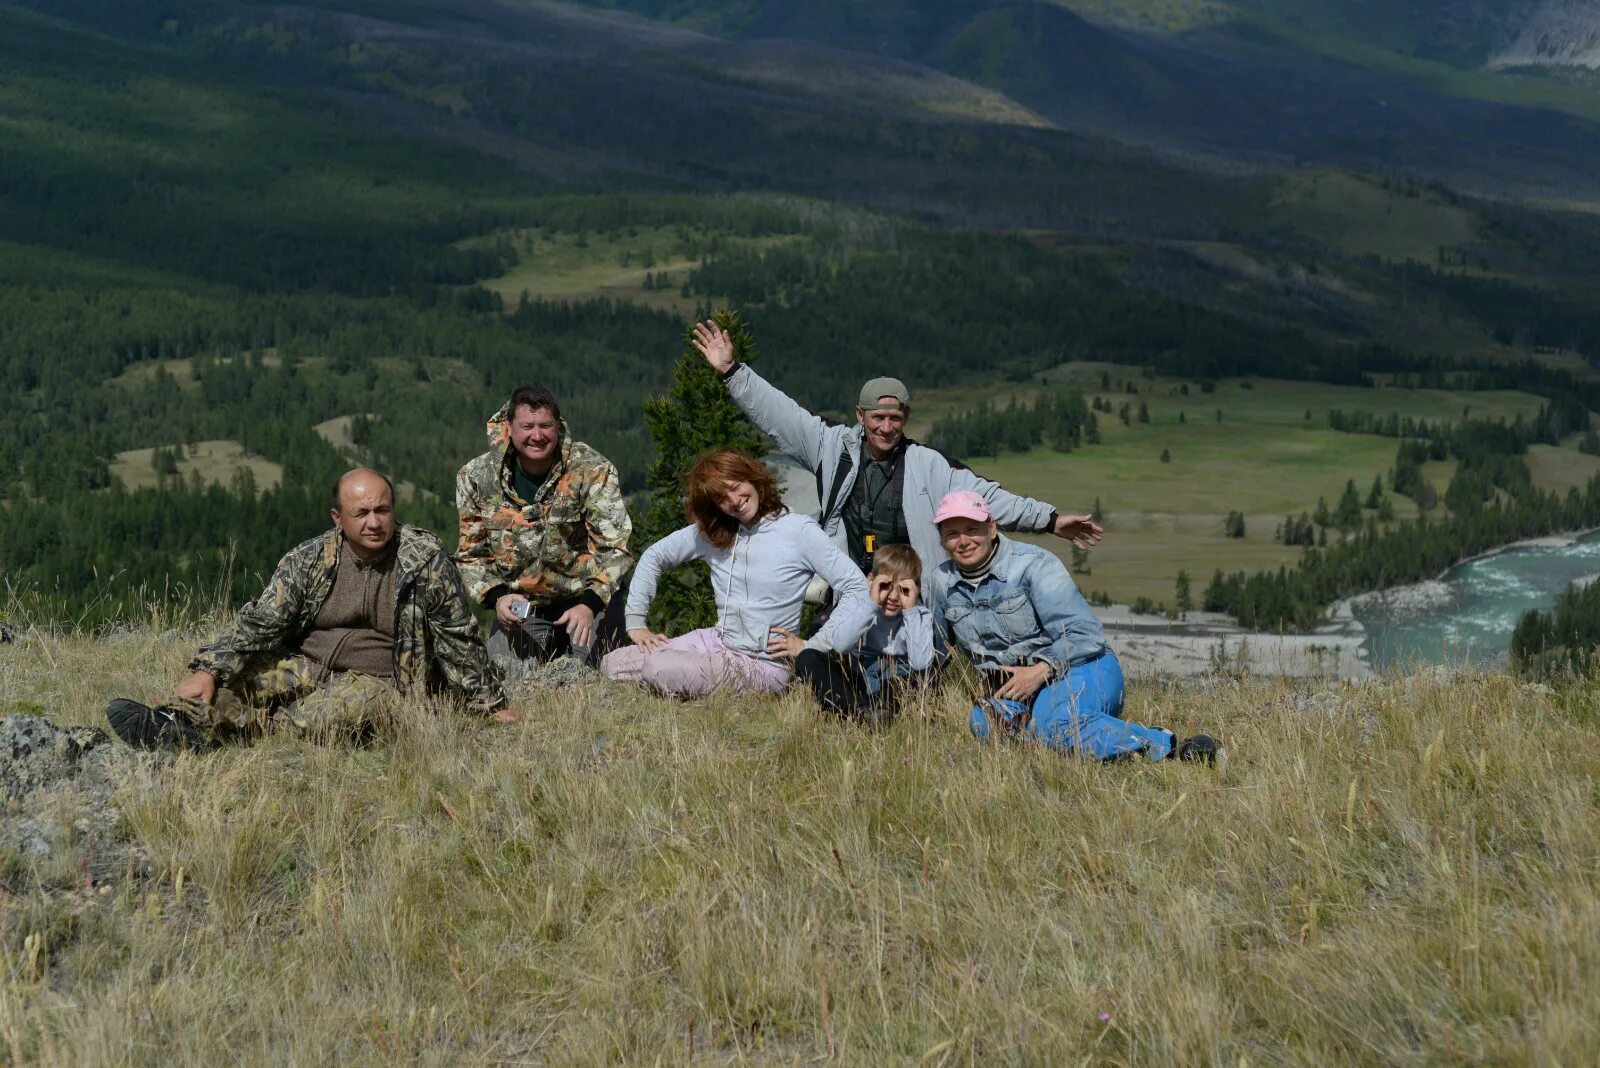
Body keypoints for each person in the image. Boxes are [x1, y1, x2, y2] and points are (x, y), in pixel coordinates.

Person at [105, 468, 516, 750]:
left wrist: (492, 706)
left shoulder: (423, 559)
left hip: (383, 677)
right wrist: (208, 668)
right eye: (361, 513)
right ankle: (175, 725)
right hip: (308, 661)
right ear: (338, 517)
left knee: (323, 718)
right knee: (241, 683)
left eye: (382, 510)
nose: (374, 522)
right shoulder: (309, 559)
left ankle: (237, 731)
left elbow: (458, 635)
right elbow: (262, 619)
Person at [691, 320, 1103, 583]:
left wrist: (1050, 520)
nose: (886, 427)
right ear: (860, 414)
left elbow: (987, 499)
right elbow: (779, 414)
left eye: (895, 418)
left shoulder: (927, 465)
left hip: (913, 592)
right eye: (877, 417)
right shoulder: (830, 447)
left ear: (905, 418)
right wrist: (732, 372)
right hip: (851, 587)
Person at [926, 490, 1220, 763]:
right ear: (941, 540)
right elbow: (936, 648)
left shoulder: (1034, 565)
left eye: (972, 529)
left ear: (991, 527)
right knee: (982, 721)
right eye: (951, 534)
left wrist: (1040, 670)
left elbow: (1085, 634)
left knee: (1053, 723)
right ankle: (1077, 743)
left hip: (1081, 667)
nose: (963, 541)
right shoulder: (942, 581)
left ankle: (1174, 747)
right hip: (1016, 690)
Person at [601, 449, 875, 697]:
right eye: (721, 498)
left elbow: (858, 588)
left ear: (752, 479)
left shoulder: (799, 532)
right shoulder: (717, 531)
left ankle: (683, 677)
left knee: (659, 667)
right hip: (716, 641)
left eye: (735, 487)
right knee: (613, 664)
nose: (734, 501)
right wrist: (636, 622)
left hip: (763, 664)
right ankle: (685, 673)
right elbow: (654, 556)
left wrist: (813, 645)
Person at [455, 386, 634, 672]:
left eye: (545, 426)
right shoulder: (476, 477)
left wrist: (590, 604)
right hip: (523, 608)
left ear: (558, 426)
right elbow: (471, 554)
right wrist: (497, 597)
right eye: (527, 426)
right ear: (509, 427)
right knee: (505, 675)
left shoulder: (592, 469)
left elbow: (615, 547)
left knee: (605, 673)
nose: (537, 436)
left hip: (587, 601)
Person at [793, 544, 942, 726]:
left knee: (927, 676)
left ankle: (867, 711)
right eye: (886, 586)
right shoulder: (862, 605)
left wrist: (910, 611)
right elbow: (840, 645)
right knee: (808, 657)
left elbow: (920, 663)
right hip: (861, 676)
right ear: (871, 581)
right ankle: (856, 711)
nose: (894, 596)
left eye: (903, 590)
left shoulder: (919, 615)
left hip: (897, 683)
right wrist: (872, 604)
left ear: (916, 589)